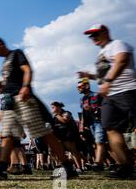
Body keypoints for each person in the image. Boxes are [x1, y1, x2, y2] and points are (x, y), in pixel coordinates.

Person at [0, 37, 78, 179]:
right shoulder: (5, 62)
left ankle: (68, 168)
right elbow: (6, 84)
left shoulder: (16, 53)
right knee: (7, 134)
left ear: (1, 44)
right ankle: (2, 168)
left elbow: (27, 70)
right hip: (9, 103)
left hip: (23, 99)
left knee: (44, 133)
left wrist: (26, 86)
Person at [78, 24, 135, 179]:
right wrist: (89, 76)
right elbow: (103, 74)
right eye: (91, 36)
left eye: (96, 34)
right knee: (110, 128)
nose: (93, 38)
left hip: (127, 90)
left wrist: (109, 81)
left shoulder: (117, 44)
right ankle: (126, 166)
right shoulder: (102, 53)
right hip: (109, 96)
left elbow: (122, 60)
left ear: (105, 32)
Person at [77, 79, 107, 171]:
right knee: (98, 144)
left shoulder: (96, 95)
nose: (78, 89)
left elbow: (105, 107)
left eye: (80, 86)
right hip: (90, 124)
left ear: (87, 86)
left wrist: (92, 108)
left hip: (99, 121)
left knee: (99, 142)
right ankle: (111, 163)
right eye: (77, 87)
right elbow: (83, 114)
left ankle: (98, 163)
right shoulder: (82, 99)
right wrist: (82, 126)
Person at [50, 102, 83, 170]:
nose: (52, 109)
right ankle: (66, 166)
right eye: (51, 107)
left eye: (53, 107)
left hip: (68, 134)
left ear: (59, 107)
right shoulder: (55, 116)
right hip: (60, 136)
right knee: (55, 152)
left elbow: (65, 120)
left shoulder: (66, 113)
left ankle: (79, 167)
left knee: (73, 151)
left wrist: (56, 115)